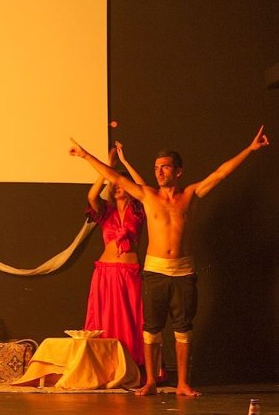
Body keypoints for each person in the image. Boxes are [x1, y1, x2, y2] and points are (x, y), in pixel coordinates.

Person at [69, 126, 269, 396]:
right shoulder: (147, 196)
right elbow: (114, 176)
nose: (159, 172)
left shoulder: (190, 195)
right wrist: (85, 155)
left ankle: (183, 383)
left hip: (183, 271)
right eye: (156, 168)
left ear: (178, 171)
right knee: (151, 330)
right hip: (155, 270)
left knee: (183, 329)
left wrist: (250, 149)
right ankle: (150, 381)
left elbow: (221, 173)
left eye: (165, 167)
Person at [84, 142, 146, 366]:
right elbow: (92, 196)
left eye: (121, 184)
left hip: (129, 272)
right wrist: (107, 168)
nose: (117, 187)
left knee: (132, 319)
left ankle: (133, 365)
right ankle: (106, 366)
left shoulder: (138, 210)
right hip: (106, 272)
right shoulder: (106, 211)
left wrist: (125, 163)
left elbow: (144, 189)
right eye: (114, 184)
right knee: (106, 320)